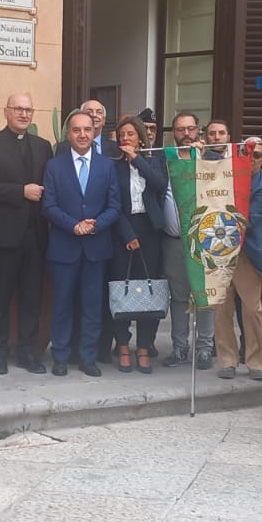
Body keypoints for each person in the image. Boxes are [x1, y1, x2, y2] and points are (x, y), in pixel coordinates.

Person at [0, 92, 54, 374]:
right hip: (3, 236)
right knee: (0, 298)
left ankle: (27, 352)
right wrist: (21, 191)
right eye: (18, 109)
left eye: (28, 110)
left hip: (36, 237)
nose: (23, 114)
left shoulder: (43, 146)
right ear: (6, 111)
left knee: (32, 299)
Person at [43, 110, 121, 377]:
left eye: (87, 129)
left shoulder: (107, 166)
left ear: (94, 131)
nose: (83, 135)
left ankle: (88, 358)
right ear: (68, 134)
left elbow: (115, 206)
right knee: (62, 305)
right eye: (77, 130)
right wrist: (73, 225)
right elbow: (49, 205)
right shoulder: (54, 166)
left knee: (92, 306)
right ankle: (61, 356)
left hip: (96, 248)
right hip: (64, 247)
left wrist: (95, 224)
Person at [205, 120, 262, 382]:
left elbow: (251, 220)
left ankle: (256, 362)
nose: (251, 159)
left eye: (257, 155)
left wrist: (223, 219)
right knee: (222, 309)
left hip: (247, 253)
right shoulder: (226, 174)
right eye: (247, 153)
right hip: (220, 250)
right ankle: (227, 360)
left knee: (252, 310)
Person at [108, 115, 169, 374]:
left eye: (130, 134)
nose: (125, 138)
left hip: (150, 230)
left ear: (141, 138)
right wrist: (127, 234)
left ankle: (144, 347)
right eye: (122, 135)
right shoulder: (113, 167)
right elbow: (112, 202)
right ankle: (123, 346)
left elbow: (160, 184)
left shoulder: (154, 162)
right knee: (120, 289)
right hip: (123, 230)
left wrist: (137, 160)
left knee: (149, 289)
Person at [161, 111, 216, 370]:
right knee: (179, 297)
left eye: (190, 128)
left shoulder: (212, 160)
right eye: (180, 129)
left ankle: (204, 348)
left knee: (204, 296)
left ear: (198, 131)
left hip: (204, 239)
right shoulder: (164, 159)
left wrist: (202, 160)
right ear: (173, 133)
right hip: (173, 241)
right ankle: (179, 348)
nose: (186, 134)